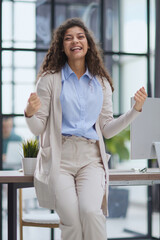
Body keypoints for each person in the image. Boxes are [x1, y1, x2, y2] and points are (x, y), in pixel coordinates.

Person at [24, 18, 147, 240]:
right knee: (71, 220)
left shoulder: (101, 82)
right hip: (59, 160)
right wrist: (30, 113)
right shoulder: (49, 80)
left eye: (80, 36)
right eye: (68, 38)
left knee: (91, 212)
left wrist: (134, 111)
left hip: (91, 159)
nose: (75, 41)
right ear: (62, 46)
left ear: (88, 43)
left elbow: (106, 129)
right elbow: (38, 127)